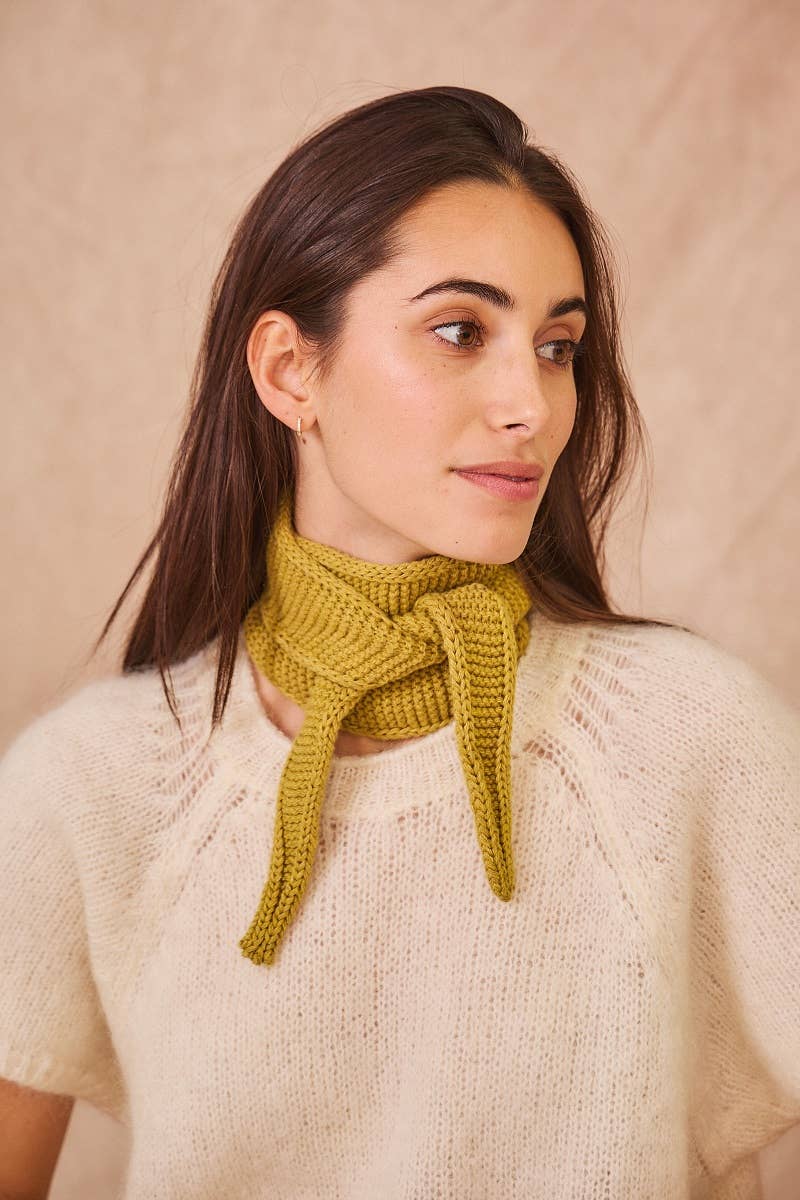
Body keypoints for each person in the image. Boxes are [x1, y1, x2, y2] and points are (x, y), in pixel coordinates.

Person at [1, 85, 798, 1200]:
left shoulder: (694, 740)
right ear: (290, 370)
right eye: (460, 331)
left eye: (557, 346)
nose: (532, 404)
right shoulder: (89, 784)